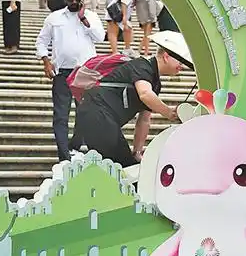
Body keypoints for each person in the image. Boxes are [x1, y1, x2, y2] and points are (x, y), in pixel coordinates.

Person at [72, 32, 190, 167]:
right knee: (120, 166)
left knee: (124, 165)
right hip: (96, 112)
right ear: (166, 56)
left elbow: (144, 120)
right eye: (180, 61)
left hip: (105, 119)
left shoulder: (155, 83)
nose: (182, 66)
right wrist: (168, 112)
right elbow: (145, 94)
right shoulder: (142, 66)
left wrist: (137, 151)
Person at [36, 0, 105, 161]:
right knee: (61, 115)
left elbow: (100, 37)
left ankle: (75, 145)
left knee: (85, 114)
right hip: (63, 73)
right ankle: (64, 156)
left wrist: (84, 20)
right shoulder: (54, 18)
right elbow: (42, 42)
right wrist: (46, 61)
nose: (74, 1)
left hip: (85, 72)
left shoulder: (91, 16)